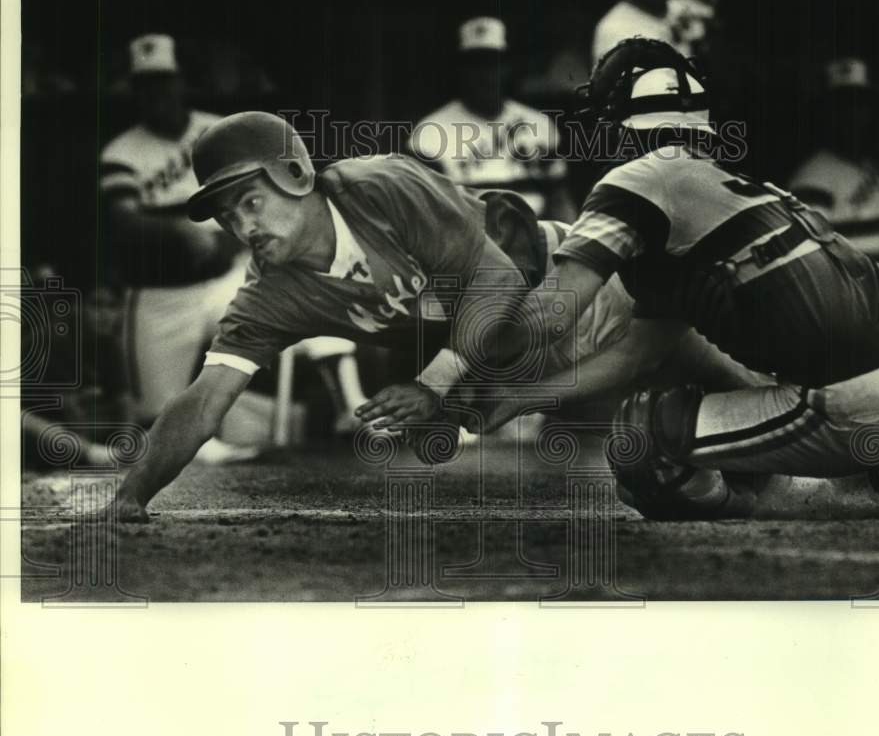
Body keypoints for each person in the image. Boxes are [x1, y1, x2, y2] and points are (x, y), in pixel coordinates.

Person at [103, 111, 758, 522]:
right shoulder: (269, 293)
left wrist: (435, 384)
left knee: (745, 401)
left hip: (578, 288)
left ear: (296, 173)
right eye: (227, 216)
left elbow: (498, 275)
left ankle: (840, 452)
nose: (242, 226)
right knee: (683, 474)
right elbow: (205, 398)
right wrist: (132, 493)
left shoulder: (379, 184)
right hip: (521, 358)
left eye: (249, 200)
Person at [468, 37, 879, 520]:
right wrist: (517, 397)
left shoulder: (639, 179)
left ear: (623, 132)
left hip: (861, 396)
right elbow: (637, 352)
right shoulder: (725, 192)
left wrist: (451, 362)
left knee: (639, 441)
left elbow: (553, 315)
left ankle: (776, 505)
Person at [99, 34, 255, 463]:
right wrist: (183, 230)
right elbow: (124, 219)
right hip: (159, 294)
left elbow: (254, 191)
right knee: (154, 417)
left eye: (166, 81)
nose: (159, 93)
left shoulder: (218, 130)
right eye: (147, 84)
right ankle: (206, 442)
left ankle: (347, 407)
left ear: (183, 82)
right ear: (135, 92)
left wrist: (228, 231)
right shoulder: (122, 150)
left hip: (225, 278)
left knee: (302, 320)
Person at [407, 17, 575, 222]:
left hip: (536, 235)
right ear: (460, 69)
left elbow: (559, 199)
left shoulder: (539, 125)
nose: (485, 74)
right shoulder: (429, 133)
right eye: (476, 63)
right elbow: (424, 214)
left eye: (493, 62)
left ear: (507, 67)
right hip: (469, 240)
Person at [788, 57, 879, 262]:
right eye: (843, 107)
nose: (853, 116)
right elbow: (815, 261)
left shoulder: (870, 167)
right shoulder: (811, 178)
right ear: (826, 114)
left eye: (859, 105)